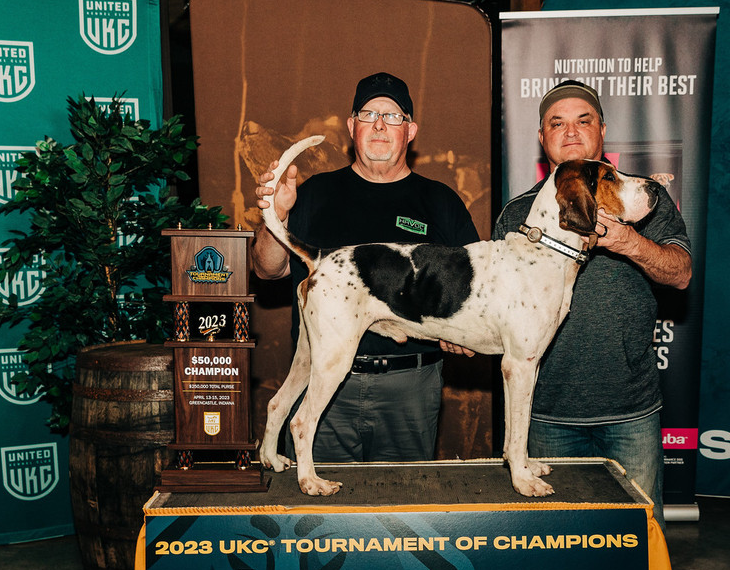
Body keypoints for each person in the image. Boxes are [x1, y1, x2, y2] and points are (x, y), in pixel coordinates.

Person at [251, 71, 480, 463]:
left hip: (410, 388)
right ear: (351, 126)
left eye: (392, 116)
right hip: (325, 389)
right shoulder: (312, 193)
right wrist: (278, 214)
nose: (379, 125)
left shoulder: (441, 202)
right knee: (313, 501)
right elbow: (267, 270)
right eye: (368, 114)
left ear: (410, 131)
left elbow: (473, 292)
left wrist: (463, 330)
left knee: (408, 503)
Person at [493, 80, 692, 525]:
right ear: (542, 138)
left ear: (602, 131)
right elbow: (495, 310)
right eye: (556, 123)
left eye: (583, 121)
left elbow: (681, 274)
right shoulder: (517, 213)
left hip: (630, 413)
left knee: (640, 540)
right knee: (552, 543)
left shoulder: (642, 200)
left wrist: (628, 242)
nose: (570, 132)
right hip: (546, 416)